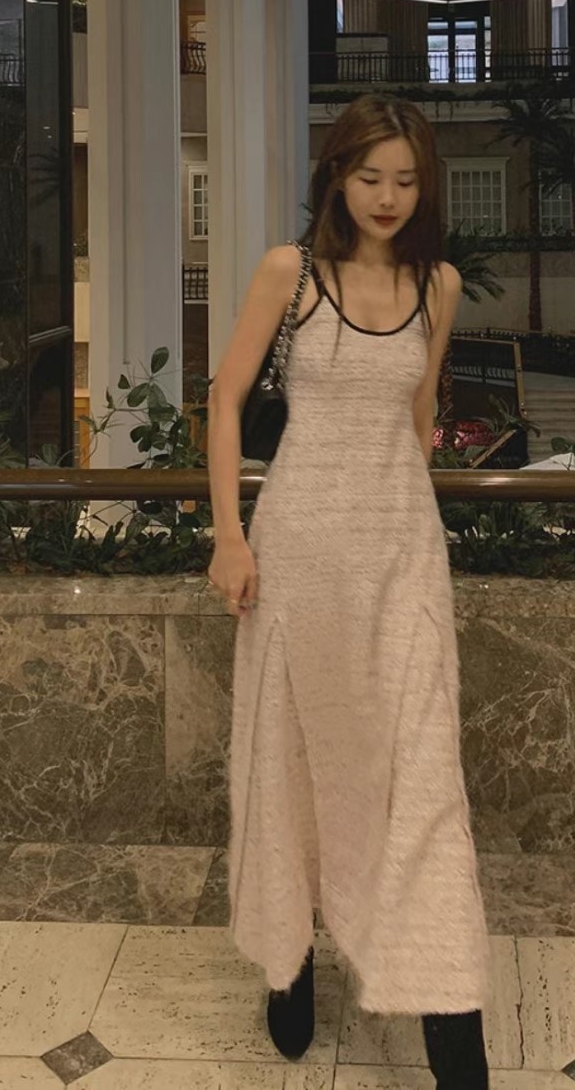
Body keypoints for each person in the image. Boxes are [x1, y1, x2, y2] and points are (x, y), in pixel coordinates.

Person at [206, 95, 490, 1089]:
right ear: (336, 175)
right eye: (370, 176)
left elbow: (418, 417)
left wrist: (402, 516)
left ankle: (455, 1030)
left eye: (406, 179)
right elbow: (225, 398)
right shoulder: (289, 273)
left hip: (402, 557)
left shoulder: (438, 285)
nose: (388, 196)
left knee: (424, 776)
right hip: (298, 555)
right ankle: (288, 961)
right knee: (289, 759)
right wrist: (230, 535)